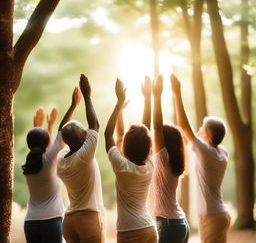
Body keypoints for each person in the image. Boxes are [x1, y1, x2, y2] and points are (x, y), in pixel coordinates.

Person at [170, 74, 230, 243]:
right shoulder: (222, 153)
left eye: (203, 127)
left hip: (210, 216)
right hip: (221, 215)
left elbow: (183, 125)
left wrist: (177, 93)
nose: (199, 129)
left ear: (209, 135)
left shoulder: (206, 152)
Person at [104, 76, 157, 243]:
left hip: (129, 232)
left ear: (125, 148)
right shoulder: (150, 164)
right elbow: (145, 130)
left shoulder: (122, 167)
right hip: (149, 229)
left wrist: (119, 103)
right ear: (148, 148)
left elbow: (107, 134)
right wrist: (148, 98)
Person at [23, 93, 80, 243]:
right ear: (46, 142)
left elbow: (41, 145)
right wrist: (73, 105)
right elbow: (61, 135)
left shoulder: (29, 164)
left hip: (30, 222)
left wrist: (38, 127)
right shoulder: (48, 161)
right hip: (51, 221)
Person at [57, 74, 104, 243]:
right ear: (81, 139)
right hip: (88, 219)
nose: (87, 130)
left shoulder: (61, 160)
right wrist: (87, 96)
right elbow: (95, 125)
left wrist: (72, 106)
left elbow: (60, 134)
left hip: (68, 221)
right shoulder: (85, 156)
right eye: (83, 131)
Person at [152, 74, 189, 243]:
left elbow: (157, 127)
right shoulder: (175, 160)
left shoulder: (163, 158)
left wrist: (157, 96)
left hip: (168, 225)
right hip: (181, 223)